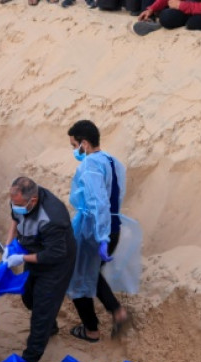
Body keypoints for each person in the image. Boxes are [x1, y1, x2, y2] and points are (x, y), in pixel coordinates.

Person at [65, 120, 131, 344]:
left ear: (84, 143)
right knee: (92, 272)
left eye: (75, 145)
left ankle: (91, 330)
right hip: (114, 226)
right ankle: (117, 311)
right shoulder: (112, 161)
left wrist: (100, 236)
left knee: (78, 278)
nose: (75, 150)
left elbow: (98, 202)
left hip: (94, 229)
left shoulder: (90, 165)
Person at [2, 177, 76, 362]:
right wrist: (8, 245)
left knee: (41, 313)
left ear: (32, 201)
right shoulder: (21, 201)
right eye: (13, 203)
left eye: (18, 204)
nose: (14, 206)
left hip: (55, 264)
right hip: (34, 252)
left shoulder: (53, 217)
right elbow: (15, 219)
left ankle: (29, 361)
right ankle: (50, 324)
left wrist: (22, 259)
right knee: (28, 298)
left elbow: (54, 254)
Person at [133, 0, 201, 35]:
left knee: (193, 23)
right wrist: (151, 9)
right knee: (166, 17)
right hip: (185, 7)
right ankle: (155, 23)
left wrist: (182, 6)